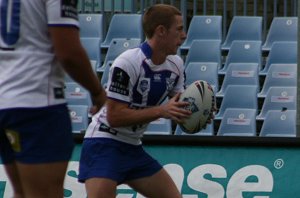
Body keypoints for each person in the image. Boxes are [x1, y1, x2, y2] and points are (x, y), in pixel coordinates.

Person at [78, 4, 195, 198]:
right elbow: (114, 117)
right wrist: (161, 111)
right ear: (161, 31)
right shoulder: (127, 62)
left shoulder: (176, 64)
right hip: (103, 143)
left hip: (132, 147)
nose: (184, 35)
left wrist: (198, 113)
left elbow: (178, 108)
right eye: (180, 29)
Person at [0, 1, 106, 197]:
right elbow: (69, 53)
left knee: (22, 193)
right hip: (36, 102)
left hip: (5, 101)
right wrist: (97, 91)